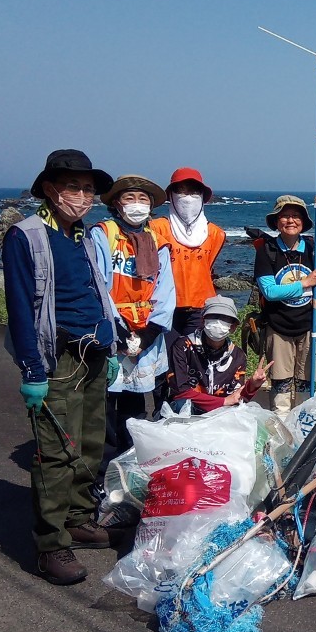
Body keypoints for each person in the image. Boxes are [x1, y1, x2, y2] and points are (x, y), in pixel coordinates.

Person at [2, 149, 119, 585]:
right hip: (57, 358)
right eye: (75, 188)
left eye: (89, 189)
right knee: (56, 451)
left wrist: (110, 344)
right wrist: (32, 370)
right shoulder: (26, 236)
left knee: (89, 444)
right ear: (51, 190)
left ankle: (78, 519)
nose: (85, 196)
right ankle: (50, 545)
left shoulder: (83, 235)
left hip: (93, 355)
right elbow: (19, 306)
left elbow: (97, 291)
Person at [90, 175, 174, 452]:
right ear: (116, 202)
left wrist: (150, 332)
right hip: (114, 327)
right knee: (105, 399)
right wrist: (121, 330)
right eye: (130, 198)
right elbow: (98, 283)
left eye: (143, 199)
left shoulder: (157, 241)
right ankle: (102, 466)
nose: (137, 204)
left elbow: (165, 289)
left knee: (136, 399)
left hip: (146, 330)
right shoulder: (103, 234)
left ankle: (131, 460)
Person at [253, 195, 316, 417]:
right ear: (276, 221)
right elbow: (270, 291)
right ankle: (281, 434)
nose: (290, 220)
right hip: (278, 327)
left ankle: (304, 431)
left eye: (296, 216)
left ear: (304, 221)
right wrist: (304, 283)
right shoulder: (267, 250)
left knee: (306, 384)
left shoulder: (314, 250)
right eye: (285, 216)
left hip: (310, 326)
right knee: (281, 385)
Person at [148, 167, 226, 336]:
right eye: (181, 191)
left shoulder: (215, 233)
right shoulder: (156, 228)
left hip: (201, 307)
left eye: (193, 192)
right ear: (171, 196)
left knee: (194, 357)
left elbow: (208, 267)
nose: (188, 198)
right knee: (167, 357)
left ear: (202, 197)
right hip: (164, 306)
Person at [168, 295, 270, 415]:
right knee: (182, 403)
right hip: (190, 409)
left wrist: (252, 385)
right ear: (203, 321)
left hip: (221, 412)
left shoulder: (237, 356)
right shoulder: (182, 346)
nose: (218, 322)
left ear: (233, 327)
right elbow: (180, 391)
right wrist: (224, 401)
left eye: (224, 319)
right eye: (213, 317)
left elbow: (237, 398)